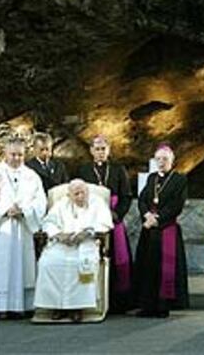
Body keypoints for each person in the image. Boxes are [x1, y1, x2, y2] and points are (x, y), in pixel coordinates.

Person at [33, 179, 113, 322]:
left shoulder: (97, 203)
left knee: (81, 263)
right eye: (76, 194)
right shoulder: (61, 204)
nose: (81, 196)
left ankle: (78, 307)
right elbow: (49, 222)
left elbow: (104, 222)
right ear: (69, 195)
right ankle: (55, 306)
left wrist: (87, 233)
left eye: (83, 192)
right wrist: (59, 234)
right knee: (47, 263)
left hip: (86, 243)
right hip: (62, 243)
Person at [0, 137, 46, 318]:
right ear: (5, 154)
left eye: (20, 154)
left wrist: (24, 210)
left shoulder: (32, 176)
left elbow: (40, 201)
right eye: (13, 154)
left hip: (22, 228)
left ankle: (20, 307)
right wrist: (5, 210)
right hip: (1, 228)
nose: (16, 158)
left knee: (22, 267)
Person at [78, 135, 133, 312]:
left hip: (114, 218)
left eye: (103, 149)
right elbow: (78, 195)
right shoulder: (84, 170)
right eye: (97, 149)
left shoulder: (118, 169)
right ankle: (92, 299)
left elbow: (126, 196)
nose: (100, 152)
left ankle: (118, 303)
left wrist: (116, 214)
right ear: (91, 151)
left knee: (119, 258)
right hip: (91, 220)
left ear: (108, 150)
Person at [134, 143, 189, 317]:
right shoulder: (151, 178)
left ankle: (163, 306)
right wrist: (146, 216)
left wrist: (157, 218)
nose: (161, 162)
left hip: (167, 229)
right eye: (158, 159)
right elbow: (142, 200)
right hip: (150, 231)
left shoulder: (179, 180)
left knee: (165, 269)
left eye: (165, 159)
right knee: (147, 267)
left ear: (172, 160)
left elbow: (176, 205)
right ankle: (147, 305)